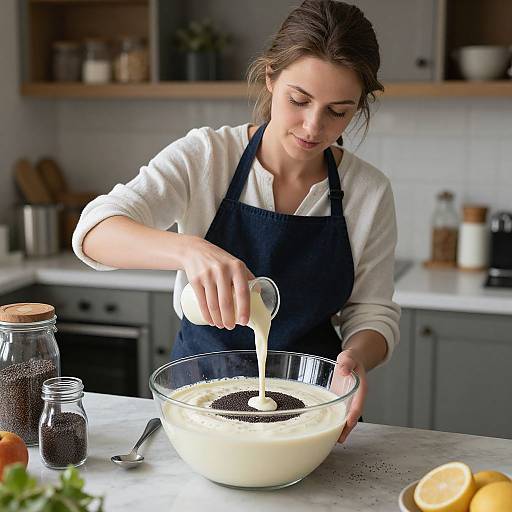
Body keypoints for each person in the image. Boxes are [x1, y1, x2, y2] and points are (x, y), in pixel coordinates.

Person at [72, 0, 400, 443]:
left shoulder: (368, 191)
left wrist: (355, 359)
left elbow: (372, 312)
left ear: (358, 106)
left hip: (312, 408)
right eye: (298, 100)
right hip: (198, 401)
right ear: (270, 78)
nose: (312, 126)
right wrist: (189, 250)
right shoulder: (206, 156)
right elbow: (94, 231)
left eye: (337, 111)